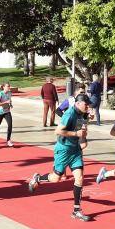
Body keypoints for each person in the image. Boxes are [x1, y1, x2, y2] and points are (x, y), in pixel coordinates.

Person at [28, 93, 92, 222]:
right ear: (78, 103)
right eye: (86, 104)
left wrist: (86, 124)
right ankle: (38, 178)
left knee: (79, 178)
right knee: (56, 178)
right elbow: (57, 131)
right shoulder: (69, 114)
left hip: (75, 150)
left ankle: (76, 210)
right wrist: (76, 133)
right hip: (63, 150)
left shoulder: (81, 113)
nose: (88, 106)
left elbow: (81, 127)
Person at [0, 82, 14, 147]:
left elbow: (9, 100)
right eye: (7, 86)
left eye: (9, 86)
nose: (9, 88)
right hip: (0, 112)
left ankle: (8, 140)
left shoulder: (9, 93)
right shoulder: (0, 94)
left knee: (10, 125)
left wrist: (10, 104)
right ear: (3, 87)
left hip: (7, 111)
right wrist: (6, 102)